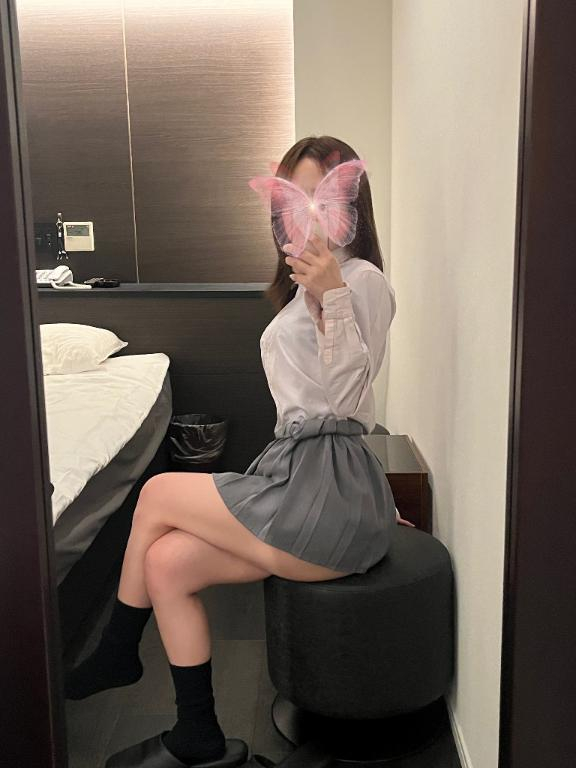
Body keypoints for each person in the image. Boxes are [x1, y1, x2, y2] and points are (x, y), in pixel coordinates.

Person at [64, 135, 415, 768]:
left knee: (157, 491)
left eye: (321, 197)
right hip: (299, 476)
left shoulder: (362, 281)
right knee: (167, 562)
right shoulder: (297, 290)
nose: (305, 214)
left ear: (351, 206)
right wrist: (315, 293)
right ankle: (195, 733)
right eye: (292, 200)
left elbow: (348, 399)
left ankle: (117, 648)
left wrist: (332, 294)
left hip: (330, 490)